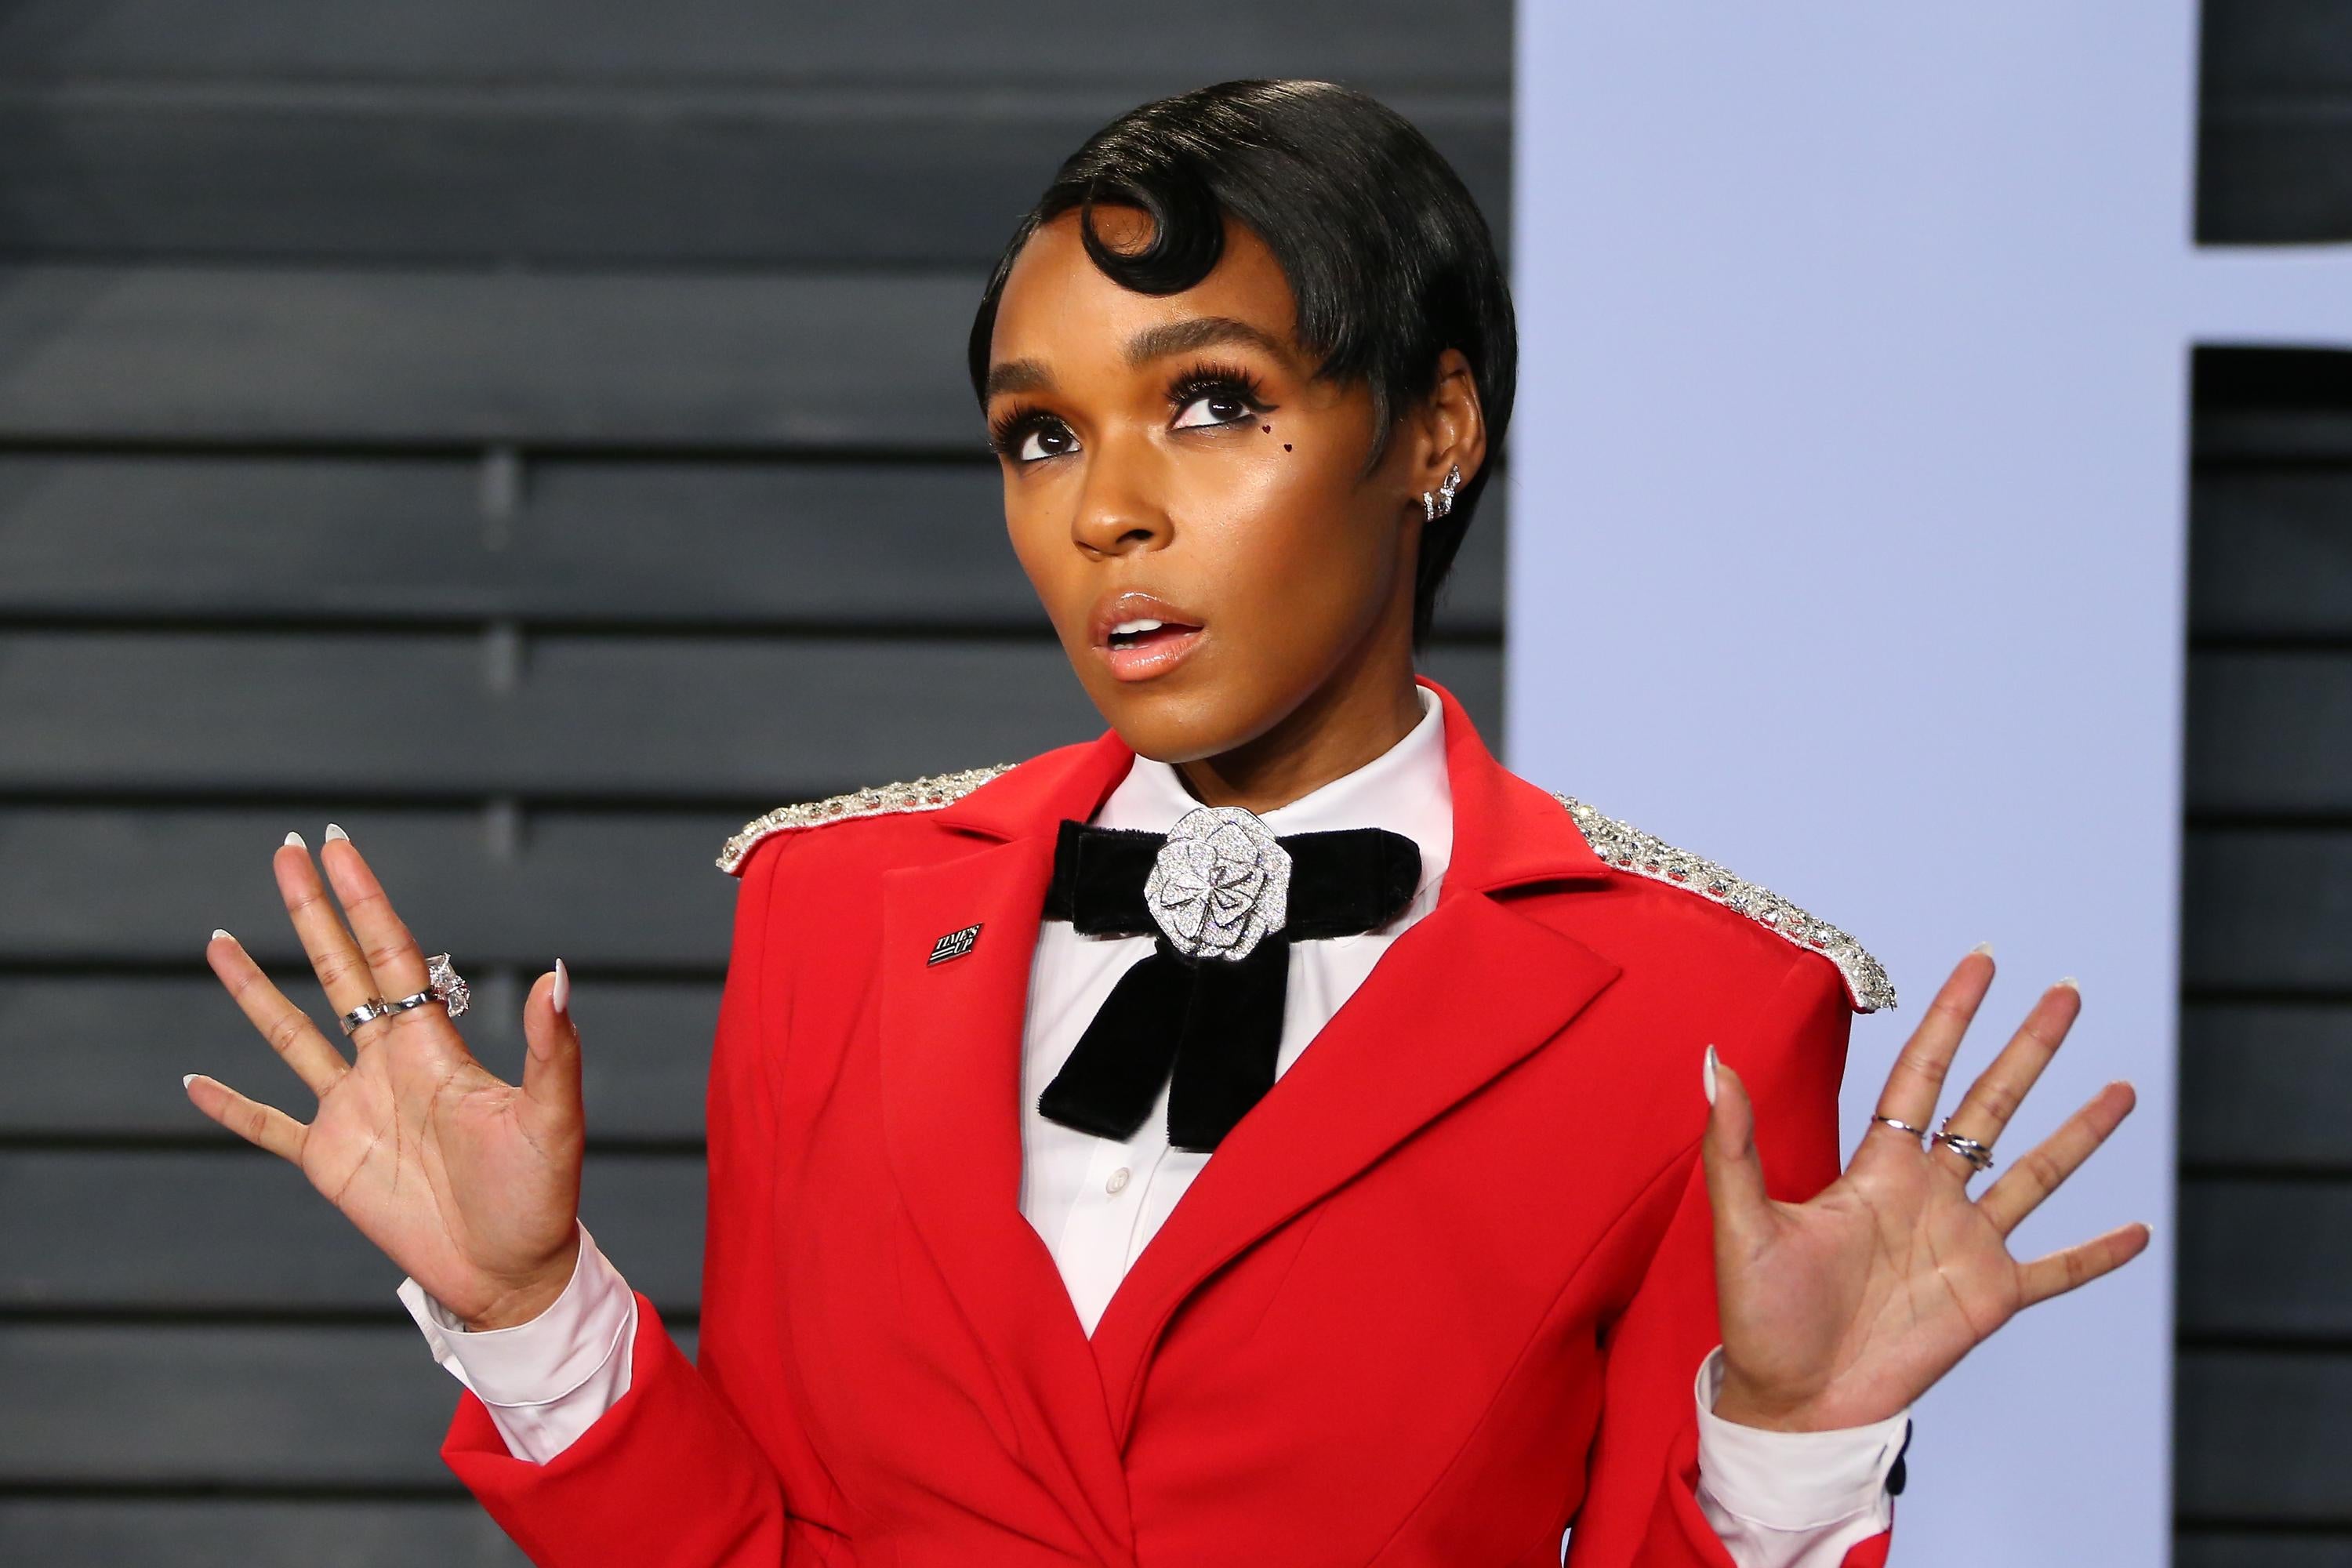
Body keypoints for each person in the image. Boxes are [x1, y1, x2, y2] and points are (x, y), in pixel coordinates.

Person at [185, 79, 2147, 1566]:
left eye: (1209, 401)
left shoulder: (1701, 1007)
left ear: (1436, 431)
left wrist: (1789, 1440)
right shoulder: (832, 910)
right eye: (1041, 434)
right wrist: (532, 1313)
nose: (1104, 508)